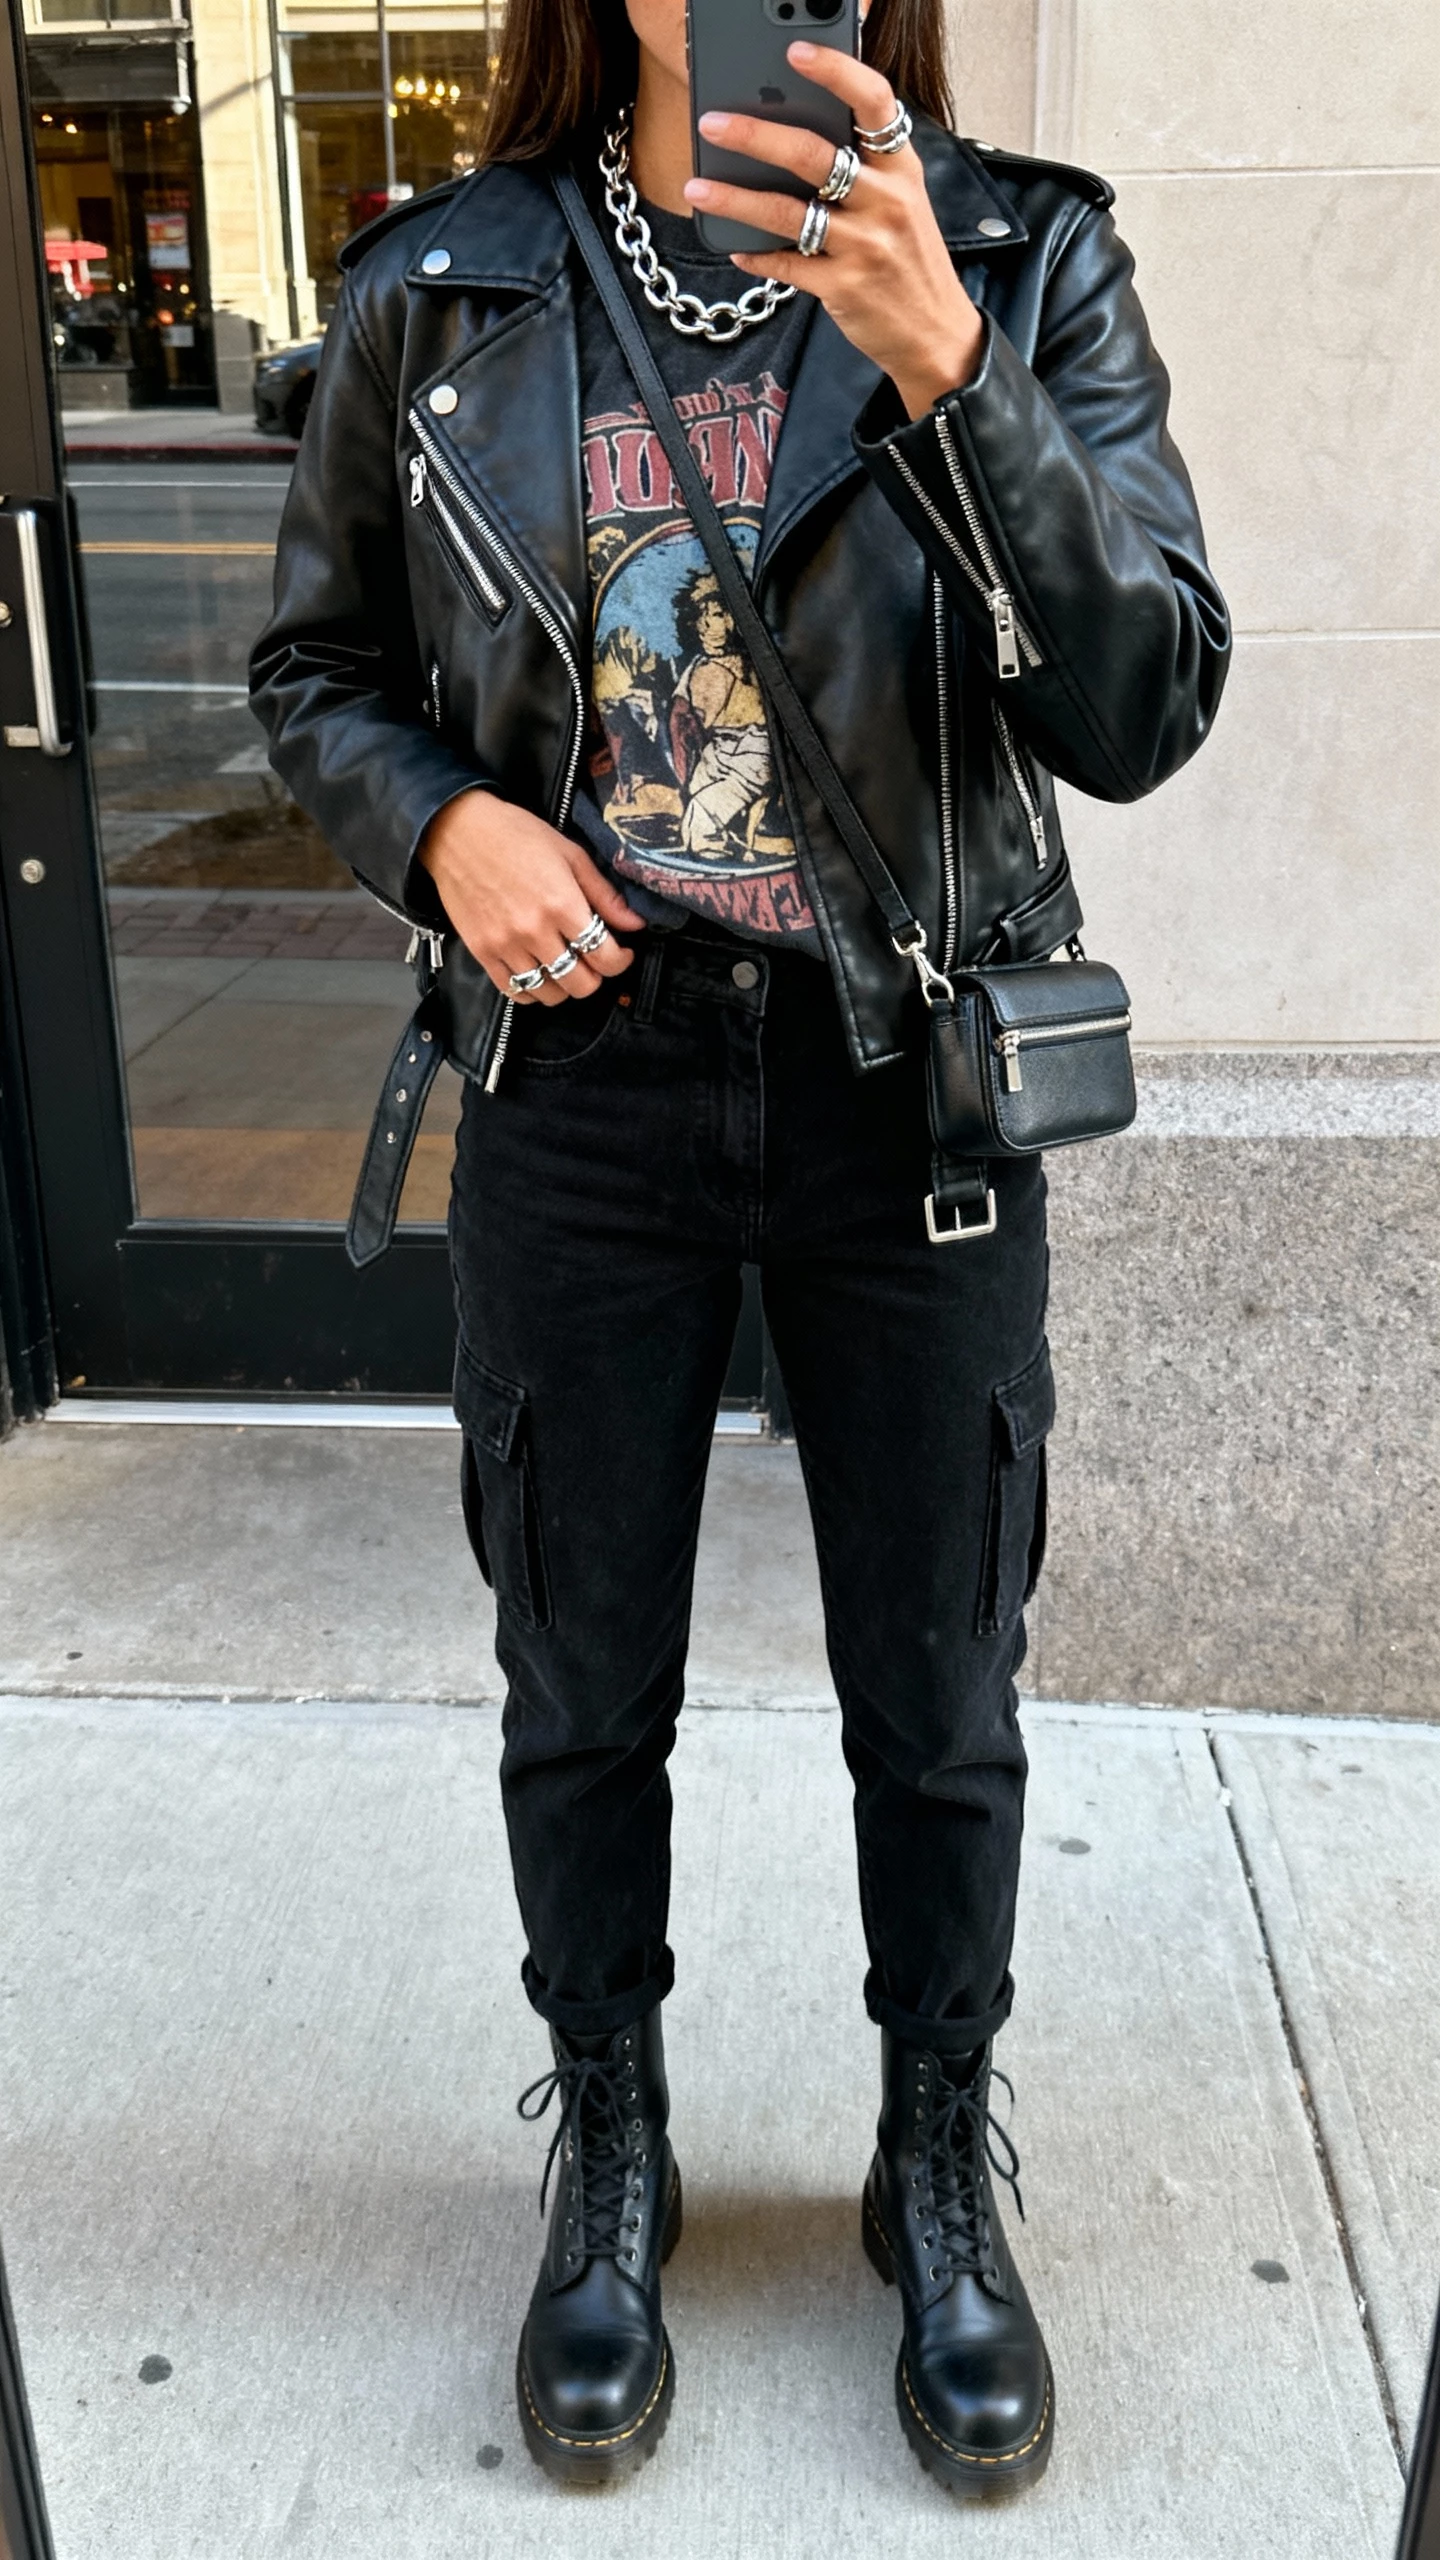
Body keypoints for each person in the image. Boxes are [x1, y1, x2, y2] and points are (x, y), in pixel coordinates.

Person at [251, 0, 1229, 2502]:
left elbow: (1145, 693)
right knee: (580, 1662)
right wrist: (448, 830)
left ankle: (935, 2151)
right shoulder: (441, 294)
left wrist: (952, 369)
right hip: (583, 1080)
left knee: (941, 1669)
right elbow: (321, 665)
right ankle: (610, 2133)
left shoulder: (1023, 259)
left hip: (906, 1078)